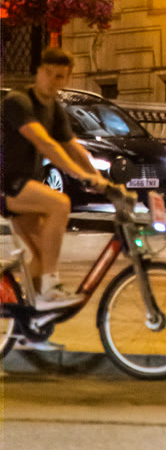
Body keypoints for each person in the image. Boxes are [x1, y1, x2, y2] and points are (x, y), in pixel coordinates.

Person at [2, 46, 112, 311]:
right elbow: (45, 143)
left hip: (24, 186)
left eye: (60, 76)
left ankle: (29, 320)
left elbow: (72, 146)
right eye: (48, 73)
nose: (52, 80)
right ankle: (50, 288)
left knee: (42, 255)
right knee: (60, 204)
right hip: (6, 183)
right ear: (39, 72)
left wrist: (101, 180)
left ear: (67, 79)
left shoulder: (54, 108)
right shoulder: (18, 101)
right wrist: (80, 175)